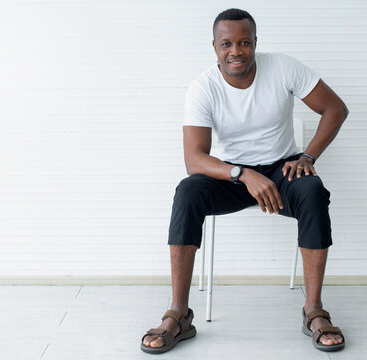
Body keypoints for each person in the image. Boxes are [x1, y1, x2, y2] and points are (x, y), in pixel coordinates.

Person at [140, 8, 348, 354]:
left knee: (312, 190)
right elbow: (195, 160)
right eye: (226, 44)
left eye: (244, 42)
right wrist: (242, 173)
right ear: (215, 46)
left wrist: (306, 158)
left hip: (282, 172)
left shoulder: (283, 67)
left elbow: (335, 109)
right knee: (187, 192)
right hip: (232, 175)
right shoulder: (203, 87)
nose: (235, 51)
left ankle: (314, 311)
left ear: (255, 43)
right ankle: (178, 313)